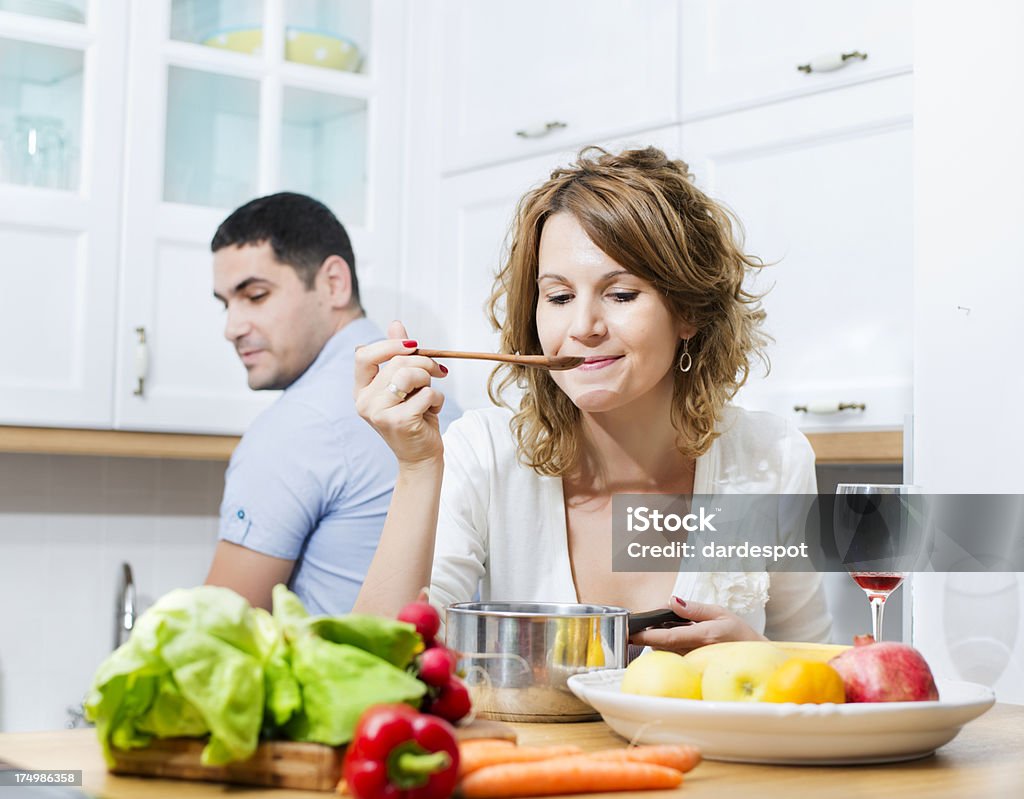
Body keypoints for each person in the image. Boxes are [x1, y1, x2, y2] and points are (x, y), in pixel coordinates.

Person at [352, 147, 831, 652]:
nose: (583, 327)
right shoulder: (484, 454)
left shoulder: (771, 458)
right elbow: (376, 665)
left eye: (621, 294)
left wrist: (756, 658)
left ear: (688, 311)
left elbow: (821, 673)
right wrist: (417, 468)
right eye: (559, 298)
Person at [204, 192, 459, 614]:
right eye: (226, 304)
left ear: (333, 283)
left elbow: (212, 637)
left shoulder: (295, 428)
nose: (232, 327)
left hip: (350, 677)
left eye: (255, 295)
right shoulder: (440, 401)